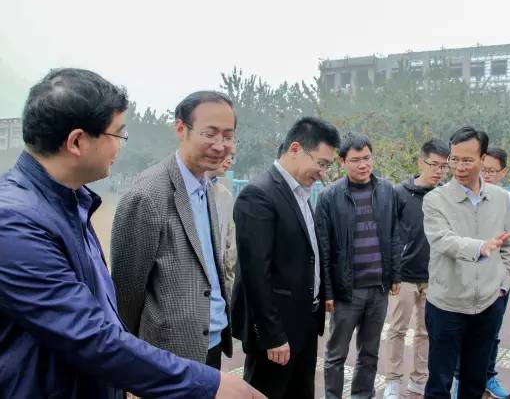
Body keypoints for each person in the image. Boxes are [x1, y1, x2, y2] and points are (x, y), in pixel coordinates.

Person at [0, 68, 262, 398]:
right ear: (77, 141)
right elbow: (96, 330)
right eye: (118, 134)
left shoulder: (71, 201)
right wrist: (209, 384)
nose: (121, 145)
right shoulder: (15, 223)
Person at [111, 91, 235, 370]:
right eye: (210, 134)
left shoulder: (207, 186)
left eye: (228, 136)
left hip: (212, 341)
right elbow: (126, 292)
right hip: (168, 354)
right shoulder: (147, 195)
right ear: (181, 129)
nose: (220, 145)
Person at [232, 116, 341, 398]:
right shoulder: (259, 195)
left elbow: (309, 253)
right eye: (321, 163)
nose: (323, 173)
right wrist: (272, 335)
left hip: (304, 323)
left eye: (327, 166)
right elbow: (255, 275)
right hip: (277, 332)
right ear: (295, 149)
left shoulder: (301, 193)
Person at [422, 126, 510, 399]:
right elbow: (442, 240)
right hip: (446, 305)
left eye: (467, 160)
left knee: (474, 382)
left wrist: (502, 285)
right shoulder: (435, 199)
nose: (459, 167)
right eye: (454, 159)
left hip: (488, 304)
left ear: (482, 159)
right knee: (439, 383)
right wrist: (480, 247)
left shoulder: (499, 198)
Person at [315, 133, 402, 399]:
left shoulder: (386, 191)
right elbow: (324, 248)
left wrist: (395, 275)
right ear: (342, 161)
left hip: (378, 289)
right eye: (355, 160)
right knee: (336, 354)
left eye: (367, 158)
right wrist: (328, 291)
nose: (363, 165)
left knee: (370, 353)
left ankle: (362, 396)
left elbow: (394, 234)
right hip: (346, 292)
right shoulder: (329, 197)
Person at [383, 138, 449, 399]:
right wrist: (393, 272)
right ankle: (392, 380)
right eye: (434, 164)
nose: (438, 171)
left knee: (426, 331)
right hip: (404, 276)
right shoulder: (399, 193)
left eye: (443, 166)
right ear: (421, 162)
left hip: (434, 276)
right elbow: (389, 233)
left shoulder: (444, 195)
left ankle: (419, 379)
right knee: (397, 329)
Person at [208, 149, 237, 299]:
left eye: (232, 157)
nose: (229, 160)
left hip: (217, 288)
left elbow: (229, 250)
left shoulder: (225, 195)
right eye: (226, 154)